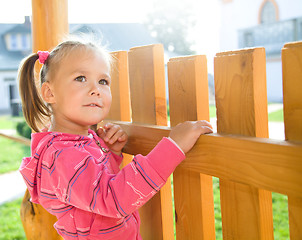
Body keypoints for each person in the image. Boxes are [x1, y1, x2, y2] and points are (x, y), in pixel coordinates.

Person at [18, 36, 213, 240]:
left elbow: (94, 187)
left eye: (103, 81)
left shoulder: (73, 144)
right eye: (80, 78)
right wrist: (174, 147)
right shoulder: (62, 155)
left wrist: (110, 153)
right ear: (49, 93)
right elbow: (113, 199)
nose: (96, 89)